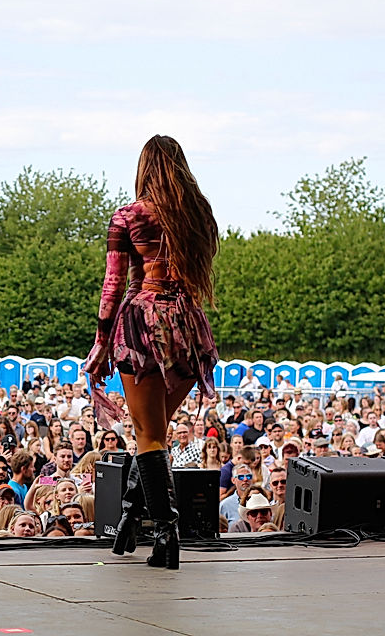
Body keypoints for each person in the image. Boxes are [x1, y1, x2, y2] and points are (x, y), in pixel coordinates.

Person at [84, 135, 219, 570]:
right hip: (187, 327)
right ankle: (128, 518)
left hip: (144, 324)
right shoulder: (199, 215)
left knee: (149, 436)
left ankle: (166, 536)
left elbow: (113, 285)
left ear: (144, 167)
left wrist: (101, 343)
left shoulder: (129, 216)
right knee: (154, 432)